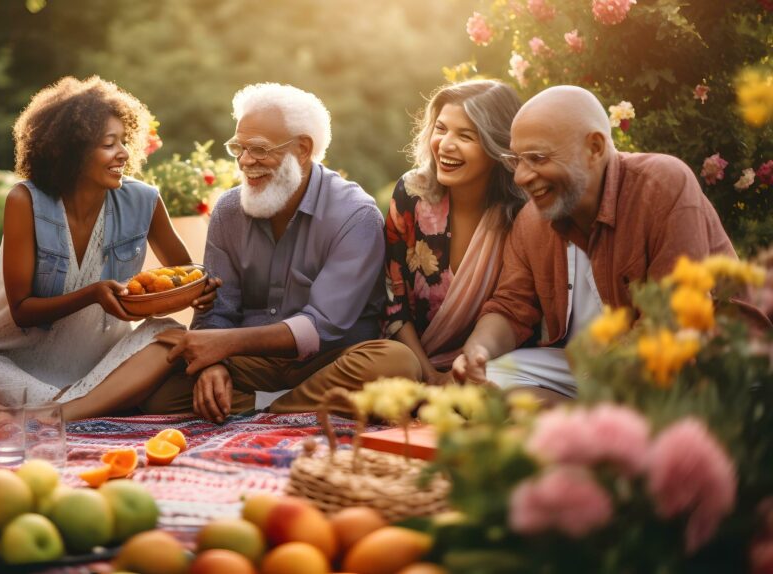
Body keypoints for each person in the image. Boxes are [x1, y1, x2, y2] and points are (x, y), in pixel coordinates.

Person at [141, 83, 421, 423]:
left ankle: (268, 408)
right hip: (253, 363)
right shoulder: (229, 210)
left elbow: (322, 327)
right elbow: (218, 309)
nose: (245, 162)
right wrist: (212, 364)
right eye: (238, 148)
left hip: (332, 361)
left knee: (396, 365)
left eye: (259, 149)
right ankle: (290, 405)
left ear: (303, 149)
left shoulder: (355, 214)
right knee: (158, 386)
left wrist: (224, 345)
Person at [451, 85, 736, 402]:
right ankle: (568, 415)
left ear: (595, 148)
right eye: (516, 159)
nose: (520, 177)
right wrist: (478, 351)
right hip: (586, 368)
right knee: (482, 379)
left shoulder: (662, 184)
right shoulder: (532, 218)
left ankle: (570, 417)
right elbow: (510, 307)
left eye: (537, 158)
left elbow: (674, 320)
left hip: (694, 362)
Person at [0, 77, 218, 421]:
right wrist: (93, 294)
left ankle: (61, 411)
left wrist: (200, 291)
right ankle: (85, 407)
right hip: (3, 357)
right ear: (71, 150)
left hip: (97, 363)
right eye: (109, 144)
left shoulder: (144, 201)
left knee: (168, 332)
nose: (123, 153)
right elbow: (22, 310)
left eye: (125, 141)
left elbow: (185, 275)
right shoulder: (26, 201)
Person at [384, 80, 524, 385]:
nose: (445, 144)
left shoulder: (520, 212)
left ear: (496, 145)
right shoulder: (411, 192)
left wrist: (465, 369)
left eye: (466, 135)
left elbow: (520, 309)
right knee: (388, 364)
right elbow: (393, 301)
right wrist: (430, 375)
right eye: (441, 128)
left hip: (486, 364)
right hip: (410, 361)